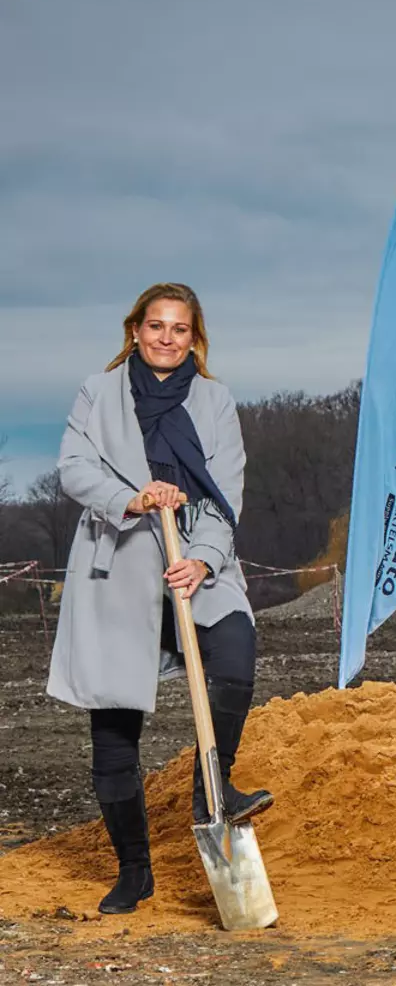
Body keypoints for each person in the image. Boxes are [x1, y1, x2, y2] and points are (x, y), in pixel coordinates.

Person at [45, 283, 273, 916]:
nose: (166, 338)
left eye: (179, 329)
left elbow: (226, 492)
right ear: (136, 330)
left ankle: (211, 789)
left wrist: (203, 560)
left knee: (234, 645)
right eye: (156, 326)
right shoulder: (100, 391)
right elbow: (72, 467)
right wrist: (134, 497)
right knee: (114, 726)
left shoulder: (215, 400)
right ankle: (134, 871)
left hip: (192, 559)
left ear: (194, 338)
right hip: (117, 562)